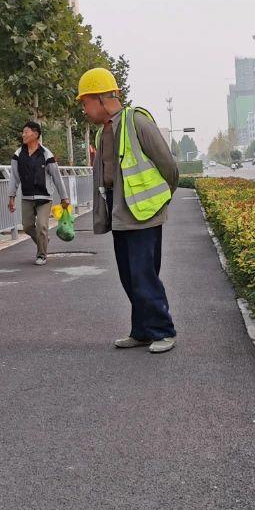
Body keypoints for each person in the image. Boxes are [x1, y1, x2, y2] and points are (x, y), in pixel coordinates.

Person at [77, 67, 180, 354]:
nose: (84, 109)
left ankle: (163, 330)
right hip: (120, 213)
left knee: (144, 273)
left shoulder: (136, 122)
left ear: (100, 98)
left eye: (85, 102)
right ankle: (142, 330)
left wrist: (158, 201)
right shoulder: (103, 132)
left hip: (143, 214)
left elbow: (169, 168)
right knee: (128, 275)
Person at [7, 120, 70, 265]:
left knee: (42, 226)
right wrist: (11, 197)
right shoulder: (18, 154)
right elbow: (14, 178)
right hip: (27, 196)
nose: (23, 135)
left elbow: (56, 177)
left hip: (44, 196)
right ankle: (43, 240)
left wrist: (64, 197)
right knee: (27, 226)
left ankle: (41, 254)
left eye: (26, 132)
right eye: (23, 132)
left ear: (35, 134)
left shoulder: (46, 154)